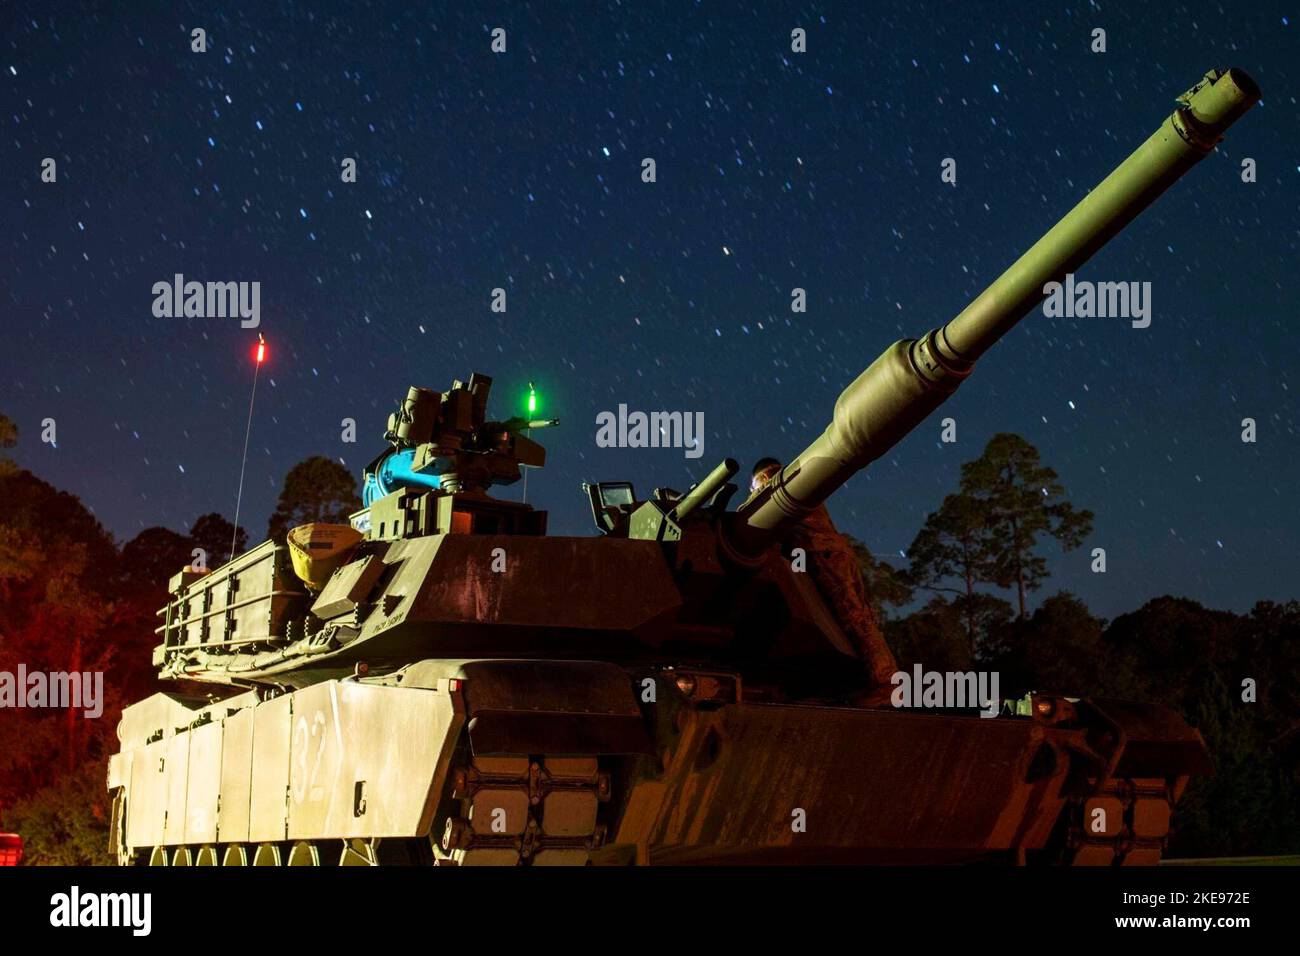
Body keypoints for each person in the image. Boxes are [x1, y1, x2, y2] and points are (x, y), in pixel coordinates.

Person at [749, 458, 898, 699]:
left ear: (764, 479)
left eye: (755, 486)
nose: (755, 491)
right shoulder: (798, 482)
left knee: (854, 618)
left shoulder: (780, 486)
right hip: (833, 553)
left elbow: (757, 509)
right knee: (856, 618)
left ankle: (887, 687)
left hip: (823, 554)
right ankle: (874, 684)